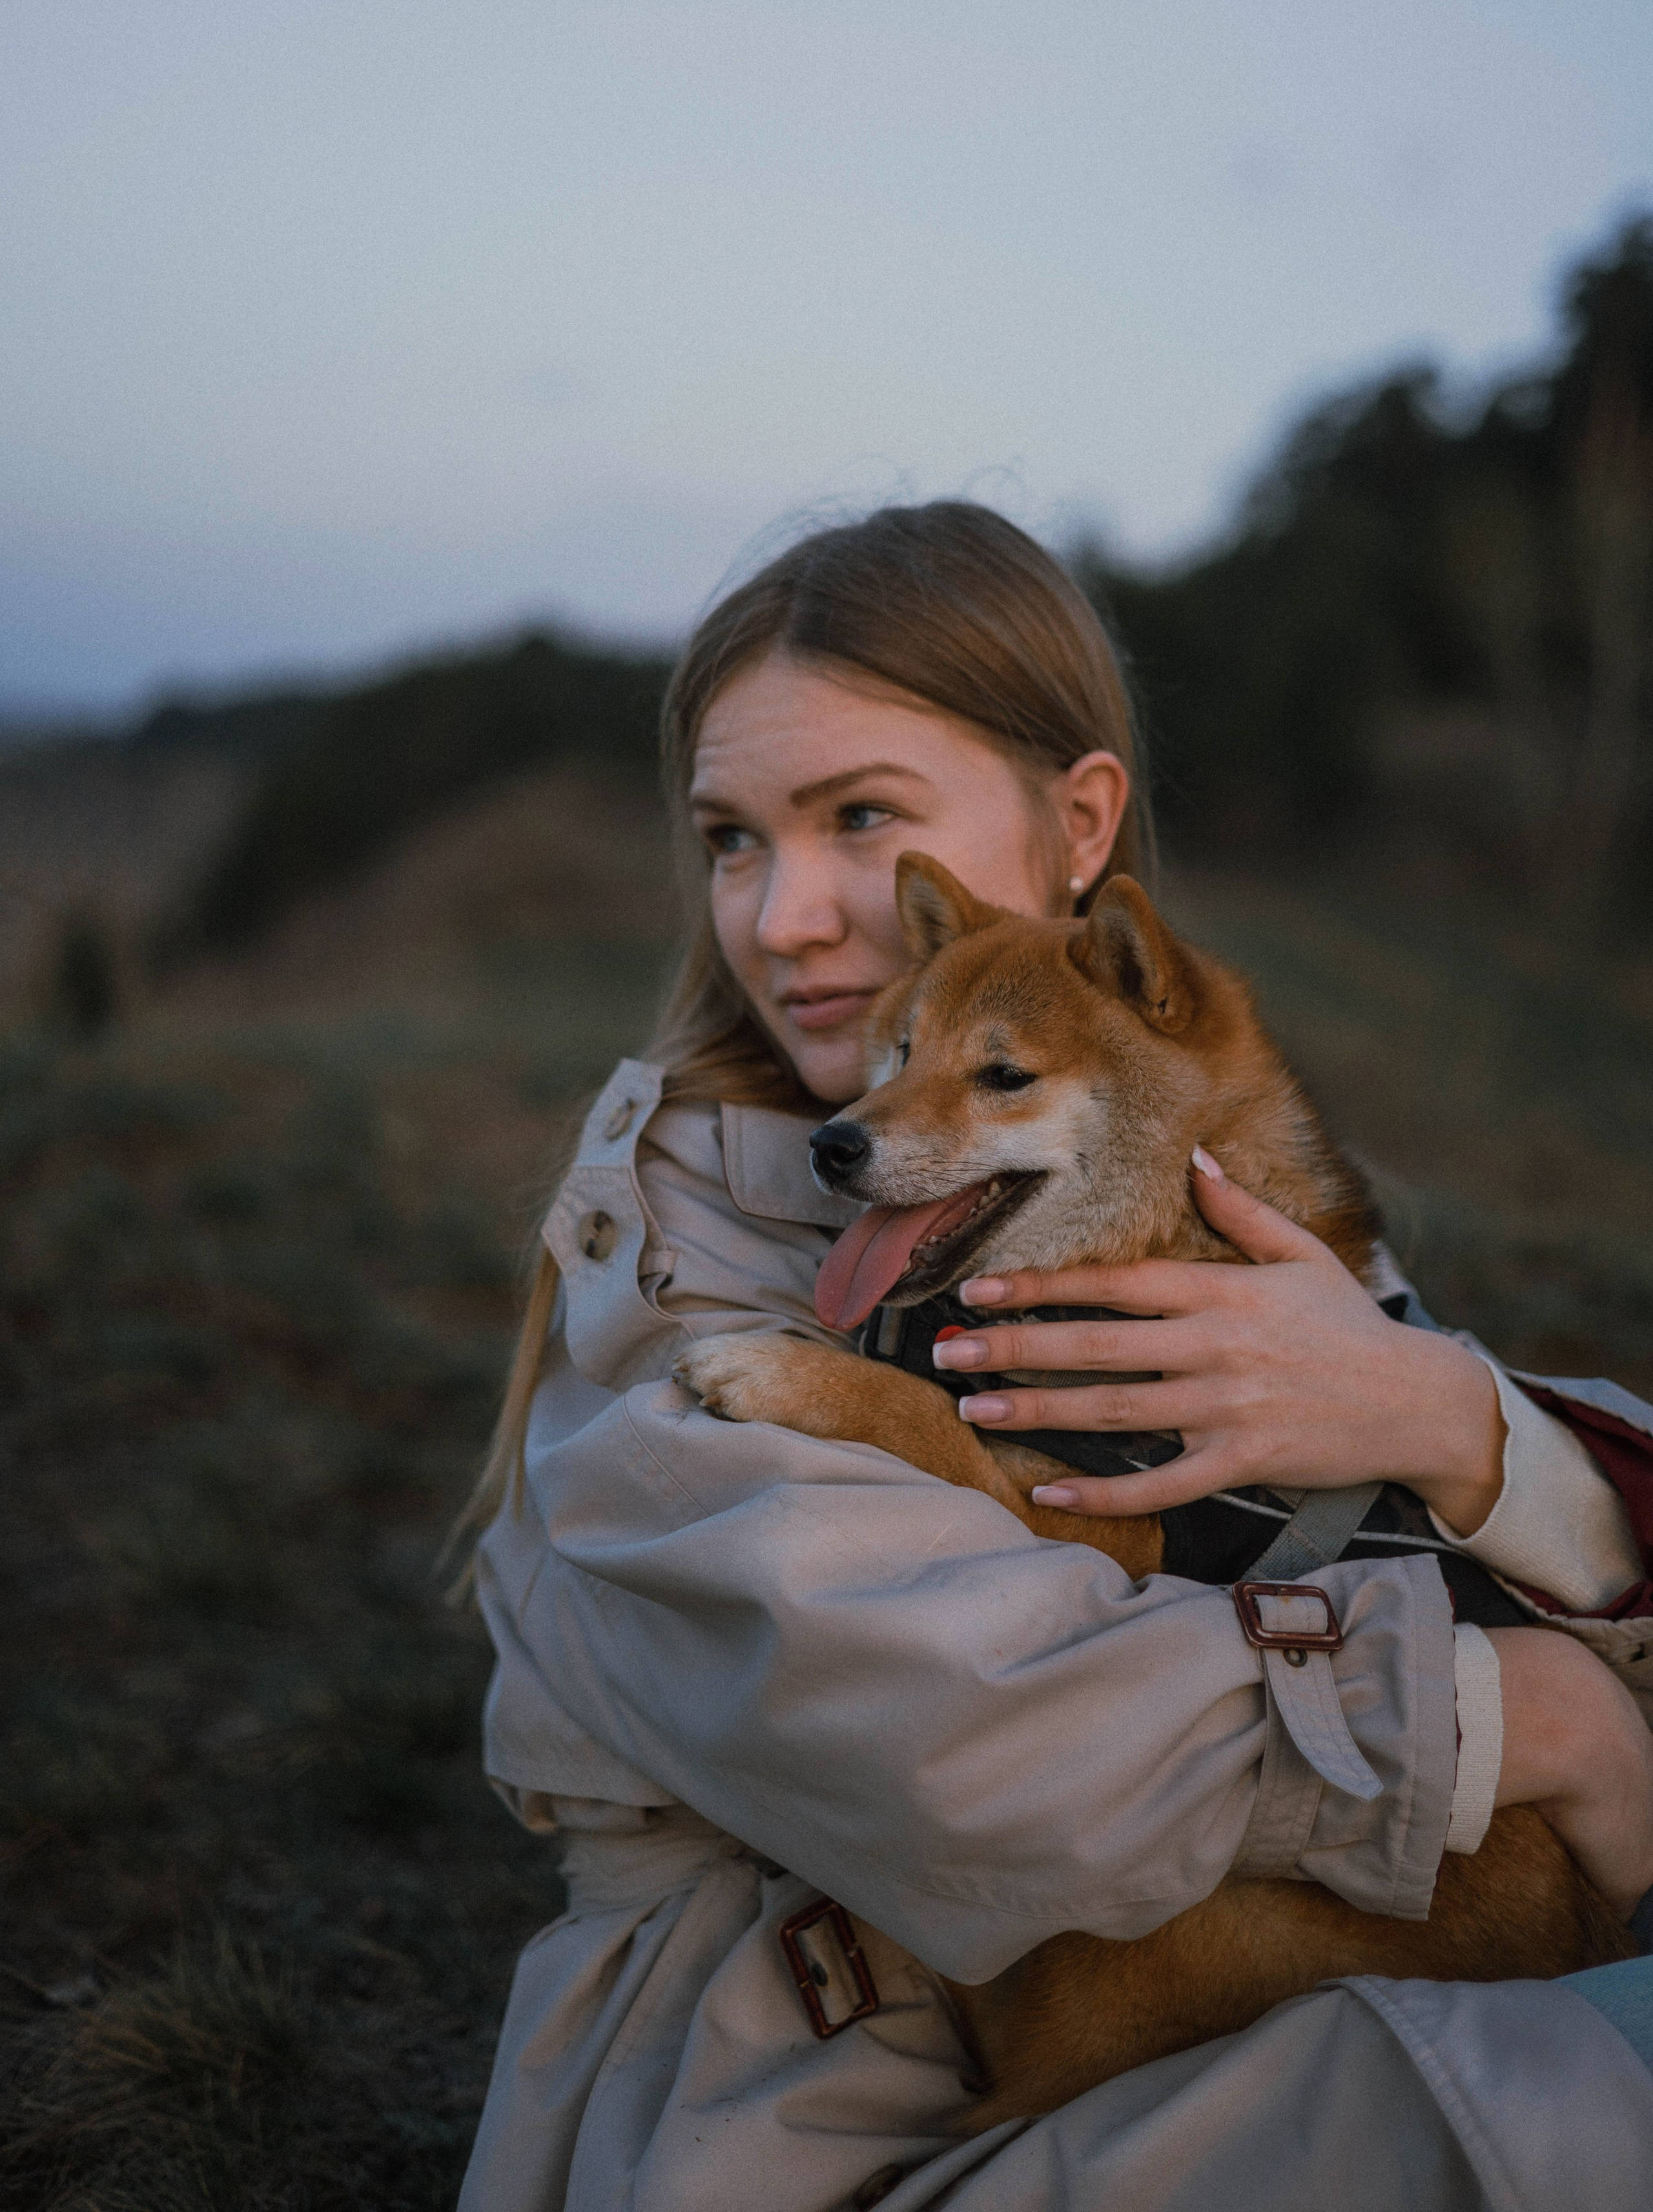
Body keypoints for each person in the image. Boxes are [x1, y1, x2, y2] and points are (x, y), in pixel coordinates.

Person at [458, 504, 1653, 2212]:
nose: (786, 915)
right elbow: (965, 1729)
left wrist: (1450, 1417)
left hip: (1210, 2022)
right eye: (731, 838)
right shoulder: (675, 1258)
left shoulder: (1171, 1184)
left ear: (1082, 822)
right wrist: (1523, 1717)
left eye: (858, 818)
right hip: (817, 2126)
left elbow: (1426, 1524)